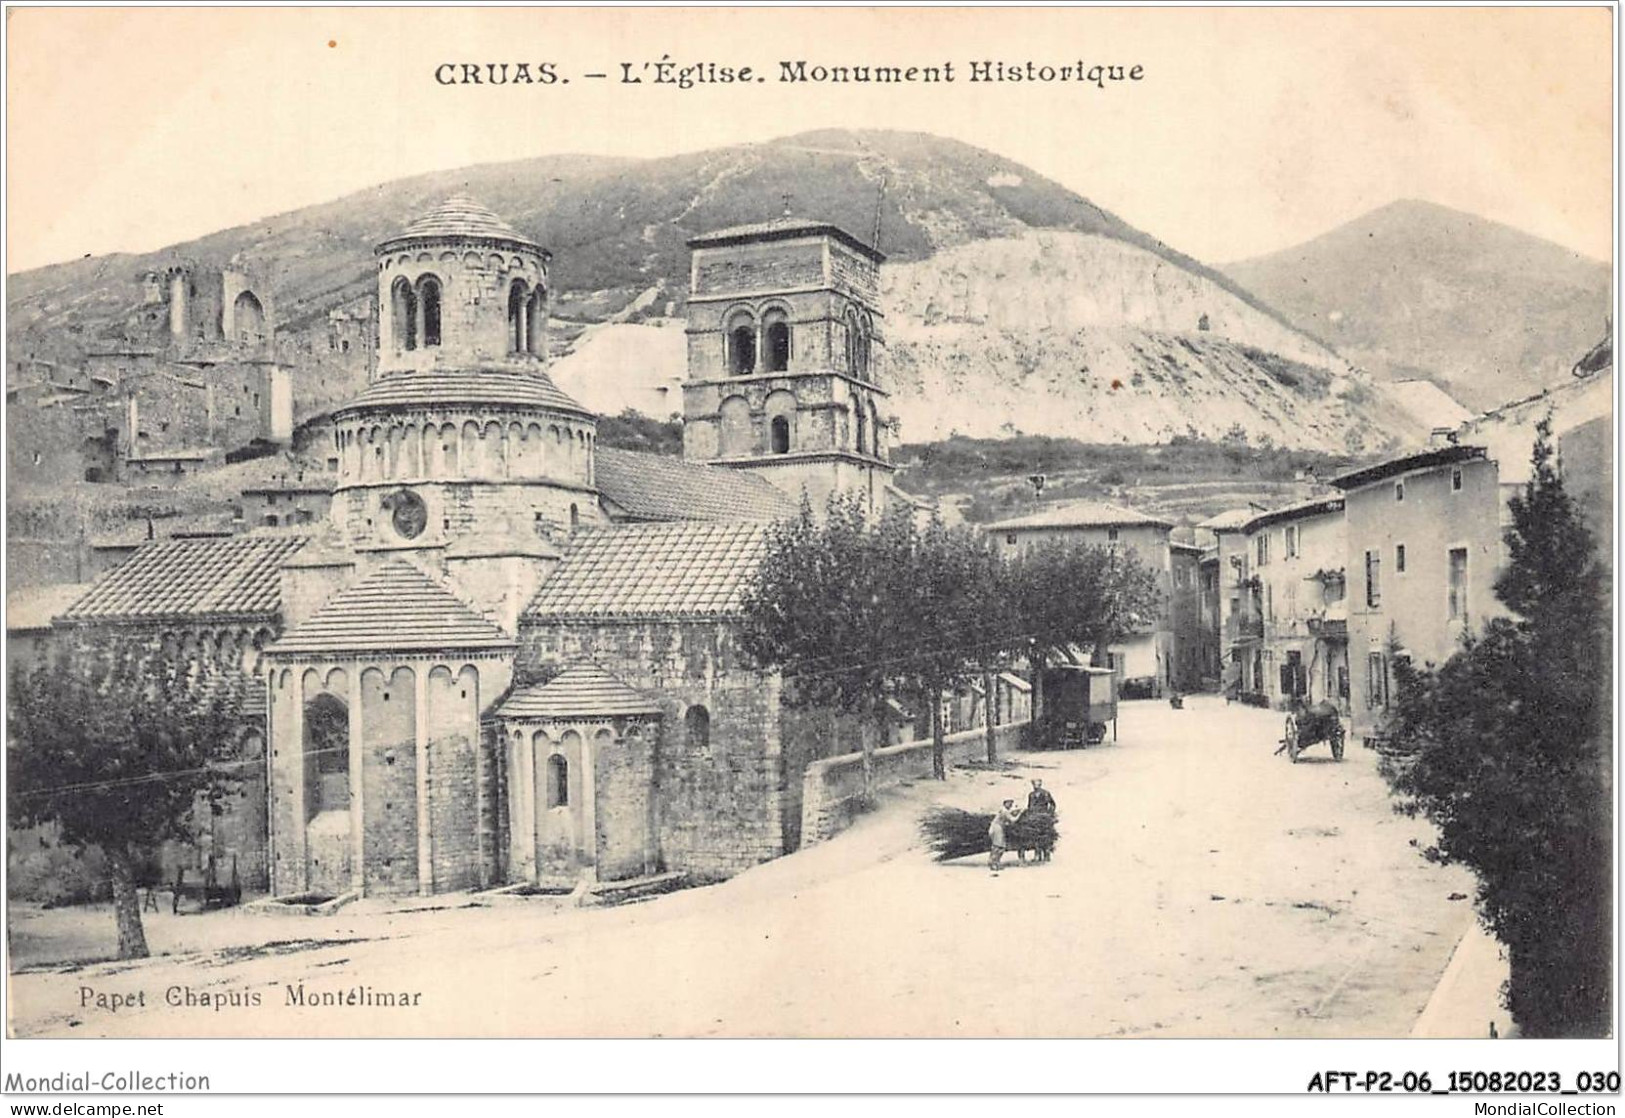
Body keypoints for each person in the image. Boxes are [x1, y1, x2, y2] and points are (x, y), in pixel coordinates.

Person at [1026, 779, 1057, 862]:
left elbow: (1053, 804)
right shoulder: (1031, 795)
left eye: (1038, 785)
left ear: (1041, 784)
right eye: (1035, 785)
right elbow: (1029, 806)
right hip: (1034, 817)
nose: (1036, 787)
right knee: (1035, 837)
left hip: (1043, 818)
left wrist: (1049, 813)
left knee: (1045, 836)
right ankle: (1037, 855)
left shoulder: (1046, 793)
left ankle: (1047, 855)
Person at [988, 799, 1022, 874]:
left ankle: (994, 862)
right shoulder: (1004, 811)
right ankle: (994, 863)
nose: (1010, 805)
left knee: (997, 846)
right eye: (1009, 803)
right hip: (997, 829)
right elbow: (1013, 820)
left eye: (1011, 803)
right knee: (999, 847)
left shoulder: (1003, 810)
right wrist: (1020, 814)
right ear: (1005, 803)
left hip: (995, 828)